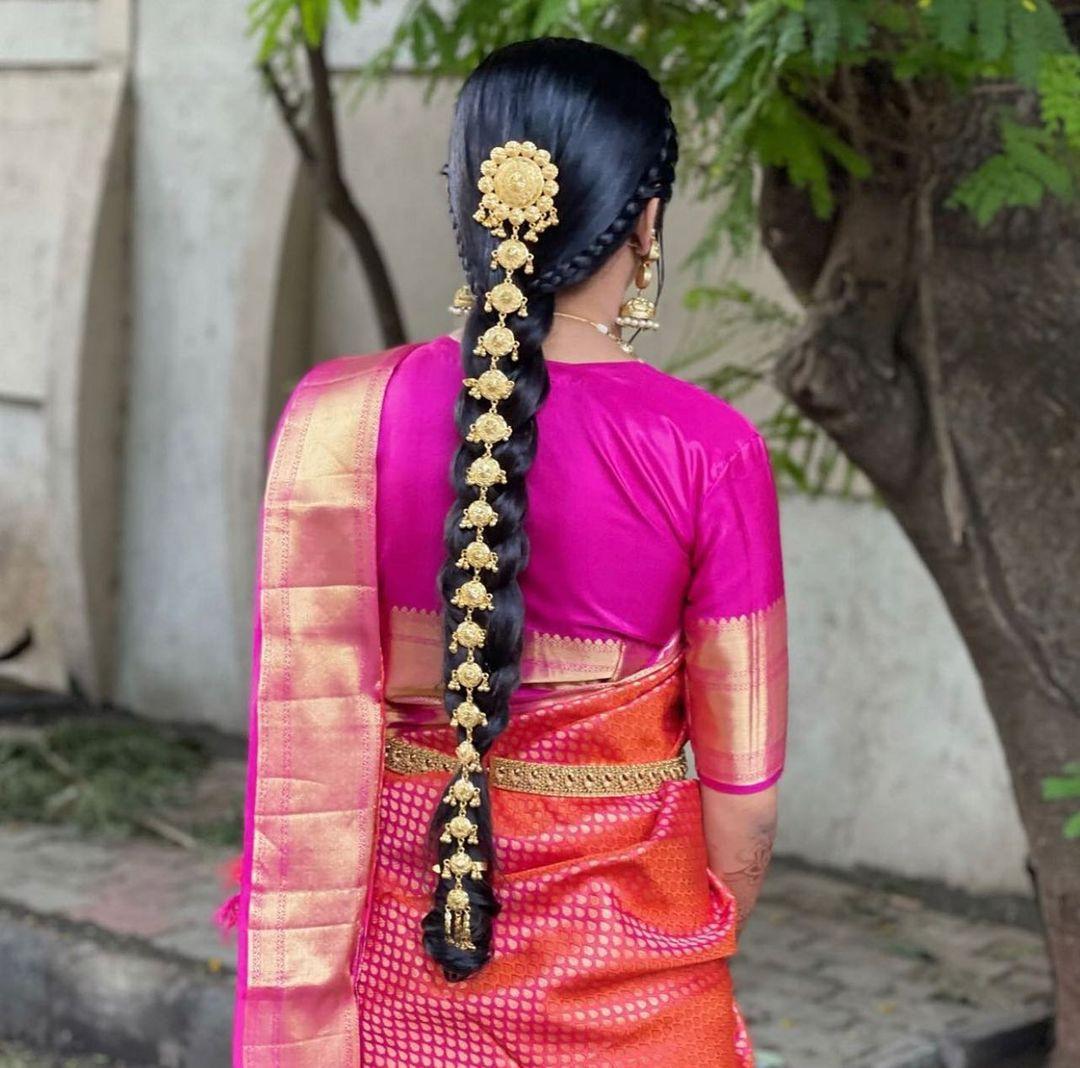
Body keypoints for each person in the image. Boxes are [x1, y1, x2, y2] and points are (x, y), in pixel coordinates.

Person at [230, 36, 788, 1068]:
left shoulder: (338, 418)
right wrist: (681, 945)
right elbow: (743, 808)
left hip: (386, 990)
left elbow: (307, 721)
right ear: (649, 219)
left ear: (470, 207)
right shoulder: (710, 450)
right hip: (634, 999)